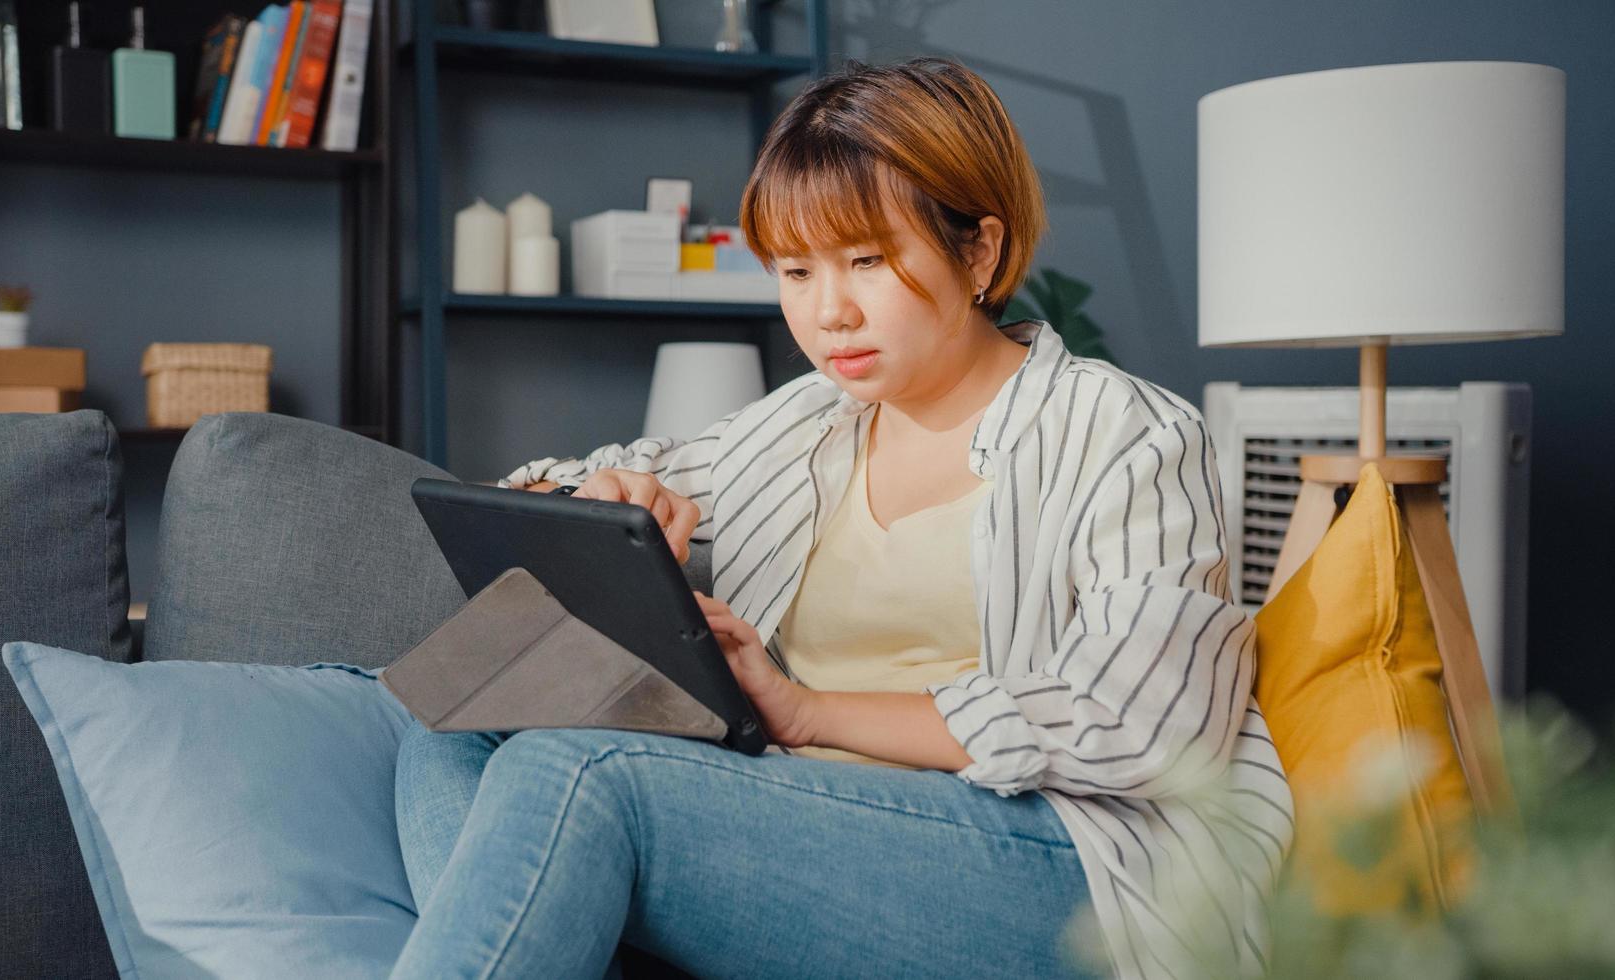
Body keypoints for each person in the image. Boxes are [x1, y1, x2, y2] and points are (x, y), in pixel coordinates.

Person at [390, 57, 1292, 980]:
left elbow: (1144, 724)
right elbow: (590, 479)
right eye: (795, 269)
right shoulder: (807, 421)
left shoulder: (1128, 432)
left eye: (867, 260)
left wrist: (813, 713)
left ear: (977, 252)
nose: (829, 313)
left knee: (574, 776)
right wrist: (602, 502)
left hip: (1068, 860)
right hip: (803, 813)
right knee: (447, 735)